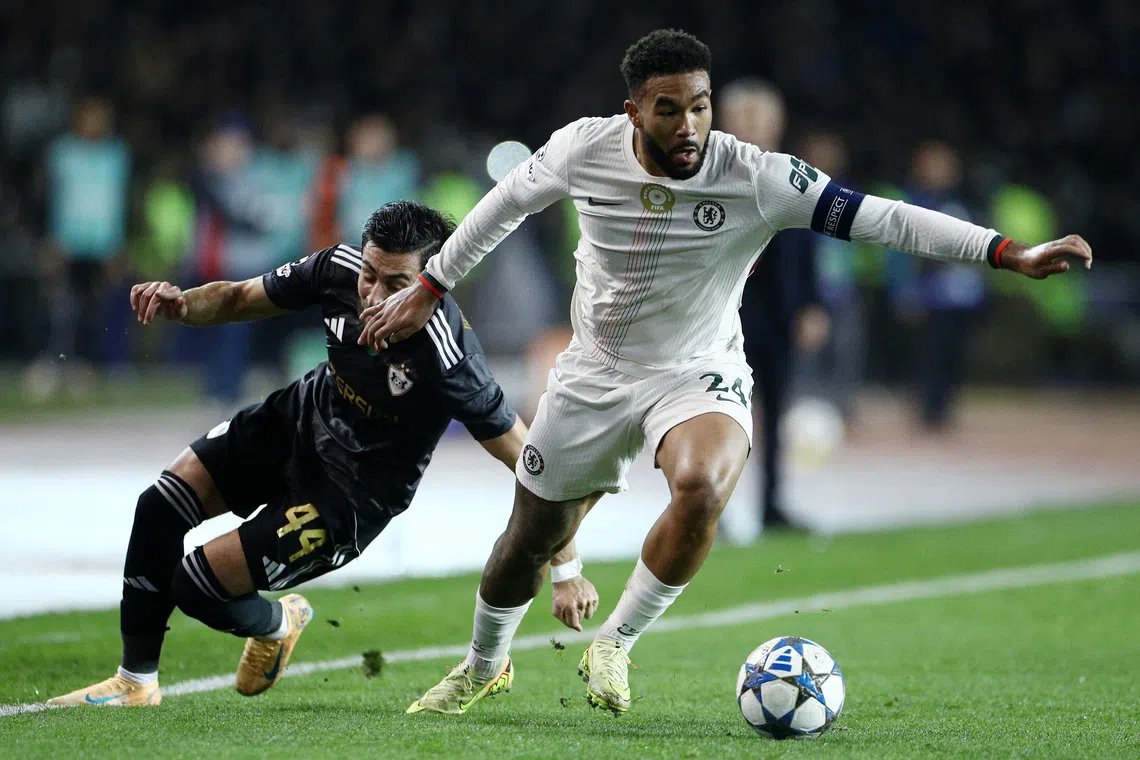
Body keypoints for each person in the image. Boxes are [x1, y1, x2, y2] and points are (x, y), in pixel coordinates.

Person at [363, 29, 1093, 715]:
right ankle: (485, 664)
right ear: (634, 112)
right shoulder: (583, 148)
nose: (690, 125)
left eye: (701, 106)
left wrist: (1008, 252)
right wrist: (431, 288)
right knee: (525, 542)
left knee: (702, 485)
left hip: (696, 369)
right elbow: (503, 206)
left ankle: (614, 644)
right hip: (593, 371)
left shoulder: (758, 175)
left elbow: (886, 219)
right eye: (670, 109)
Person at [46, 201, 597, 708]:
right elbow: (241, 297)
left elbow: (530, 461)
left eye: (397, 283)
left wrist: (566, 567)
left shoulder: (448, 355)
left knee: (195, 584)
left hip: (350, 494)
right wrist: (183, 306)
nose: (374, 295)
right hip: (297, 420)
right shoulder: (338, 267)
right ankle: (135, 683)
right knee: (159, 504)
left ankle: (276, 625)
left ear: (432, 281)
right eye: (370, 275)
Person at [721, 79, 821, 530]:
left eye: (761, 117)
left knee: (776, 415)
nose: (754, 126)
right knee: (719, 414)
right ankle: (709, 511)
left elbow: (808, 248)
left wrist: (812, 306)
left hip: (778, 316)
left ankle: (771, 506)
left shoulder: (797, 177)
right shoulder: (711, 176)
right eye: (745, 117)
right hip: (723, 318)